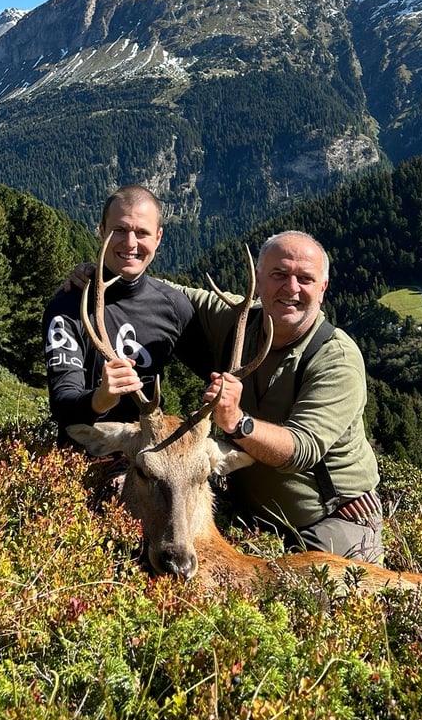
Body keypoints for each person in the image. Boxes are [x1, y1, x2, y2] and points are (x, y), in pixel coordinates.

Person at [181, 230, 383, 562]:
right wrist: (96, 274)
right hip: (254, 516)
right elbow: (165, 294)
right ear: (258, 280)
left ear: (322, 289)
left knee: (310, 596)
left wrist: (237, 422)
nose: (291, 288)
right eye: (279, 275)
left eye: (305, 278)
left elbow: (301, 449)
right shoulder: (237, 320)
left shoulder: (336, 358)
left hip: (331, 518)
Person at [43, 185, 199, 435]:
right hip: (88, 461)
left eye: (142, 233)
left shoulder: (175, 307)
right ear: (101, 231)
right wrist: (100, 399)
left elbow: (213, 373)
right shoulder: (69, 307)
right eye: (120, 230)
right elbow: (62, 403)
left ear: (158, 238)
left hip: (149, 455)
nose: (130, 243)